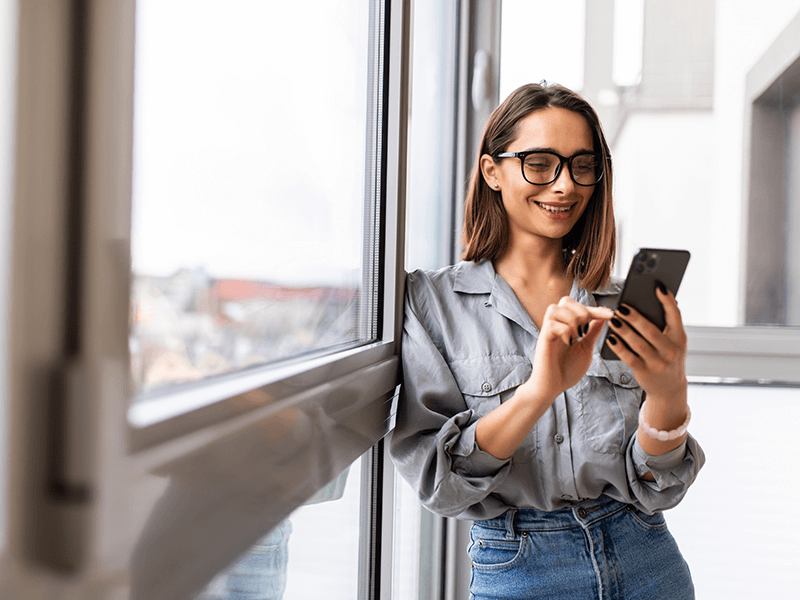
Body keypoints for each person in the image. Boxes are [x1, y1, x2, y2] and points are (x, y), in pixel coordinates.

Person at [388, 82, 705, 599]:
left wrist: (670, 395)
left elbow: (659, 482)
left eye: (582, 165)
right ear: (492, 170)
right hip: (520, 570)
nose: (564, 186)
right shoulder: (431, 305)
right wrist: (539, 390)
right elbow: (440, 485)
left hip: (646, 561)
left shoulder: (621, 304)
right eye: (540, 163)